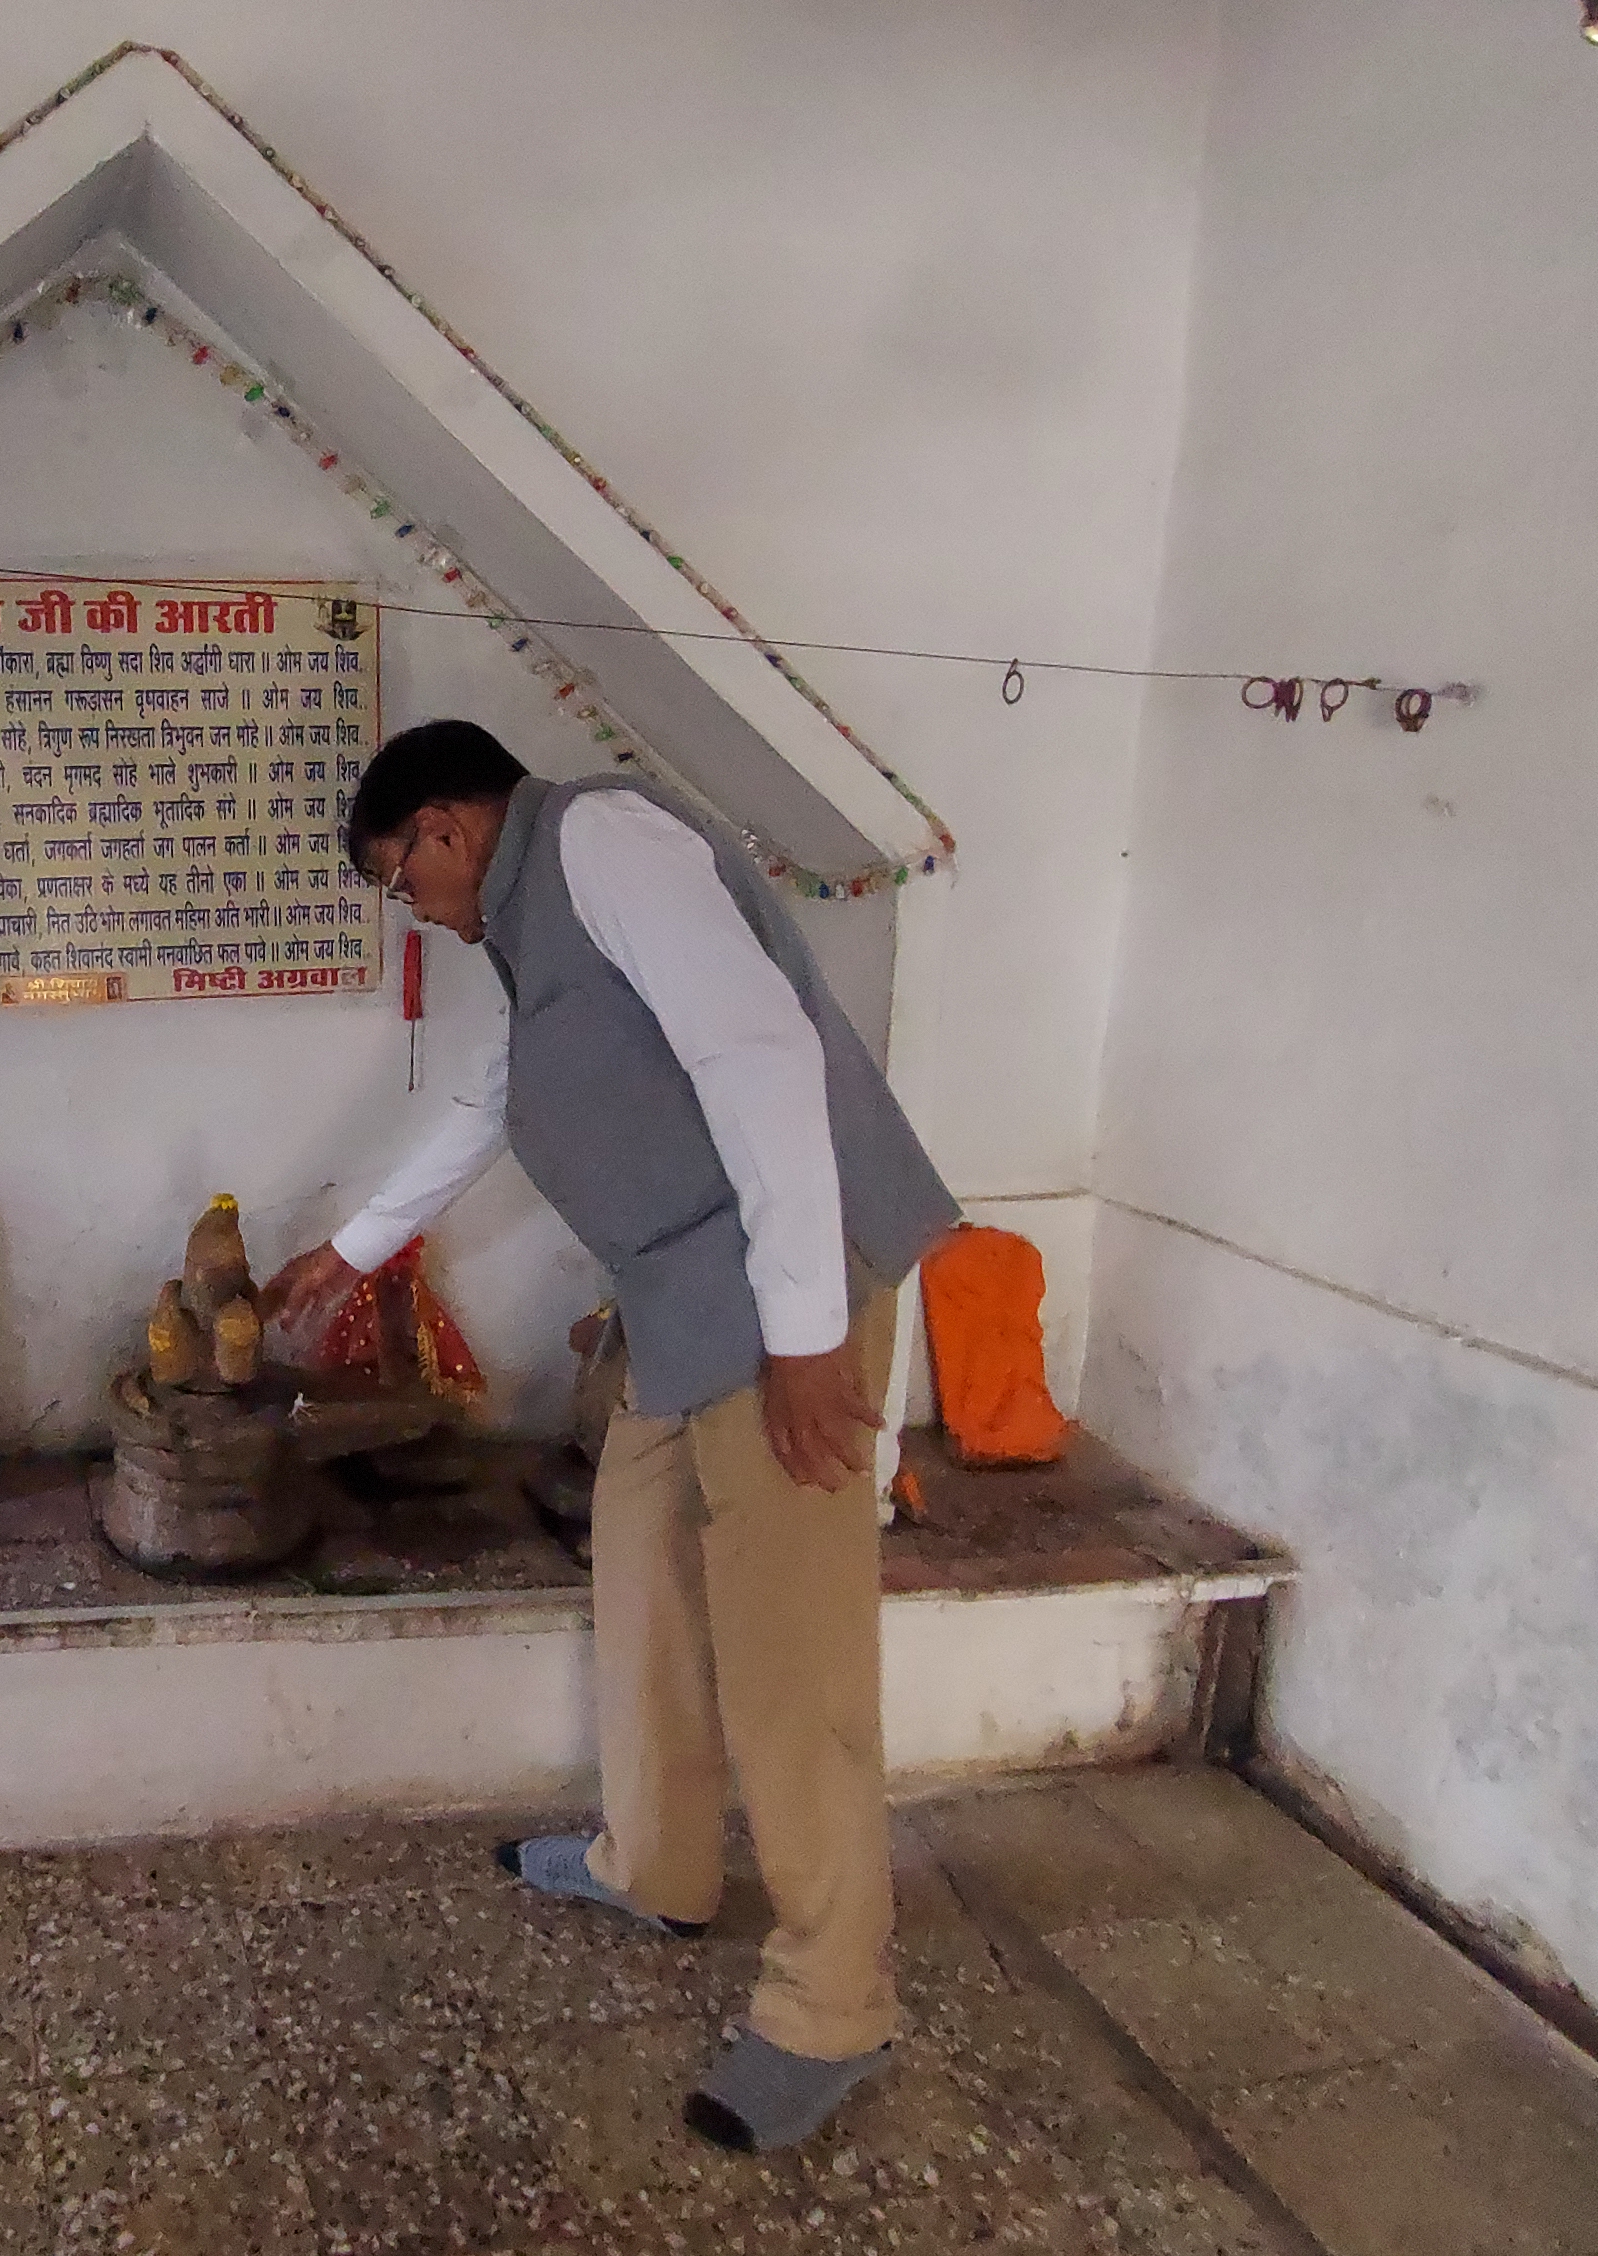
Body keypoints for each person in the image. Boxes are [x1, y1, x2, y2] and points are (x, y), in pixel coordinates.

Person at [264, 718, 961, 2152]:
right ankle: (657, 1864)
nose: (421, 912)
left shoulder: (601, 840)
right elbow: (500, 1098)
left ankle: (835, 2004)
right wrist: (355, 1248)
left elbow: (758, 1049)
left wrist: (810, 1335)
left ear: (449, 826)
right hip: (681, 1310)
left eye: (405, 880)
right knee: (641, 1581)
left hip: (783, 1304)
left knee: (791, 1660)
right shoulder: (536, 925)